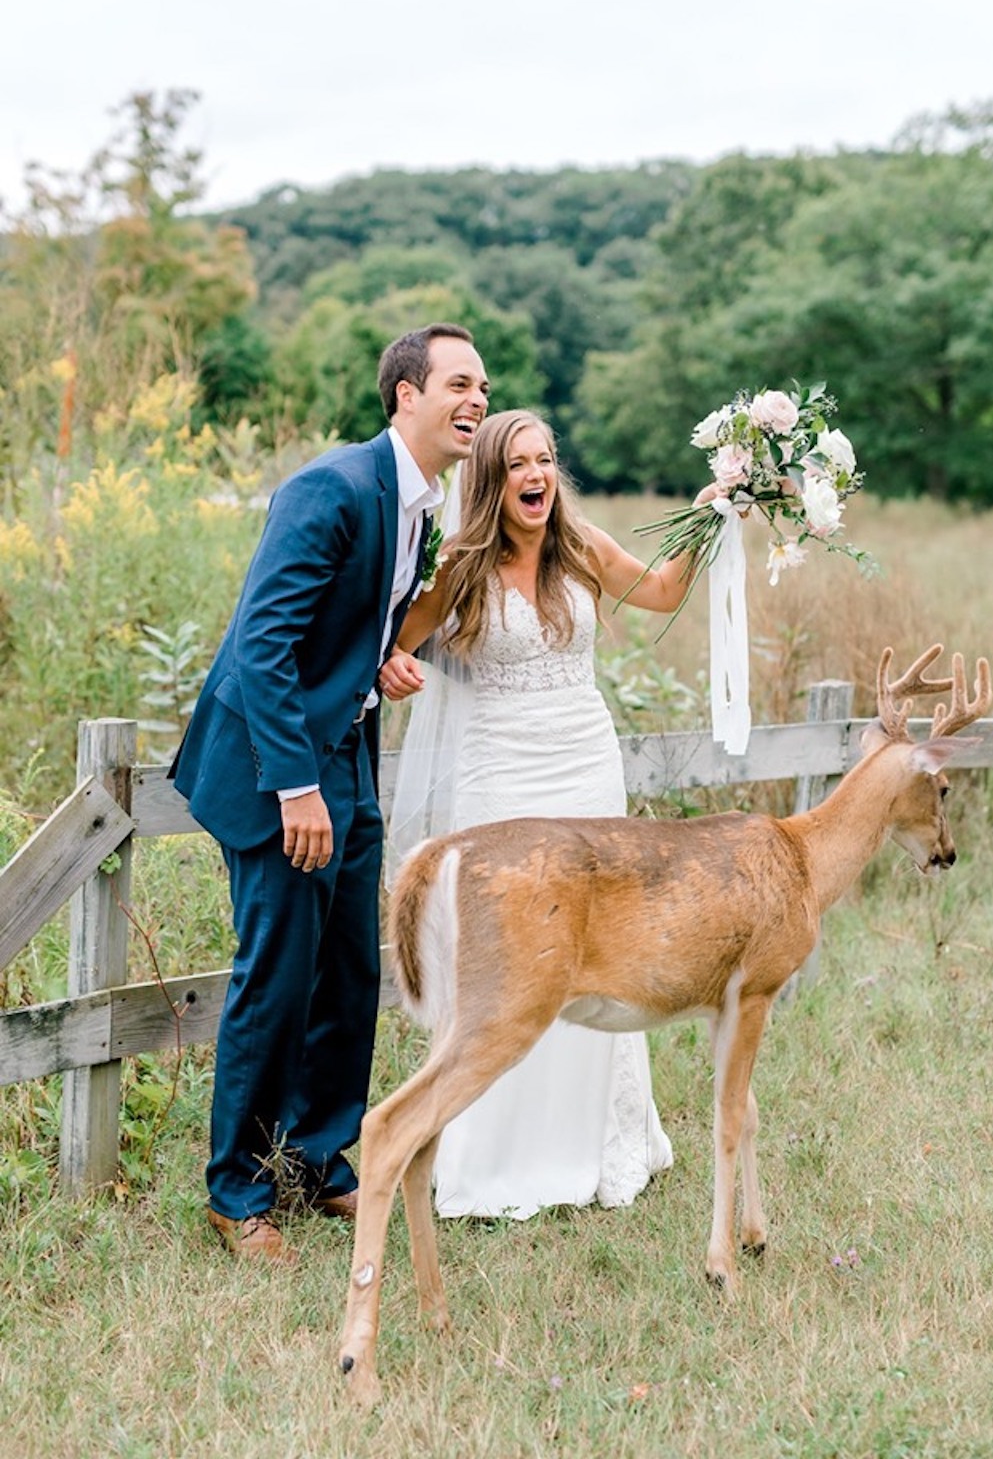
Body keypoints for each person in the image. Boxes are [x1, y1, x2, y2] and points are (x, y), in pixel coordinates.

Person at [169, 322, 490, 1261]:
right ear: (406, 396)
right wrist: (296, 787)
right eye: (459, 385)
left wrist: (378, 664)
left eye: (483, 388)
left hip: (346, 758)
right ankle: (235, 1193)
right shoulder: (334, 487)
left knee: (351, 971)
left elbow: (346, 628)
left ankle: (317, 1160)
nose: (477, 400)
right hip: (278, 771)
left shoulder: (419, 502)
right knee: (275, 975)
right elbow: (263, 644)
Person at [380, 409, 697, 1220]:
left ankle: (600, 1142)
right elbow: (399, 641)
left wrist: (713, 512)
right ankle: (496, 1156)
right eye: (519, 463)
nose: (537, 475)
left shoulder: (581, 547)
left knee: (599, 943)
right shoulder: (458, 566)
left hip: (587, 772)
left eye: (547, 460)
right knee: (513, 953)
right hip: (502, 778)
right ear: (492, 479)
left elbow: (661, 592)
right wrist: (393, 669)